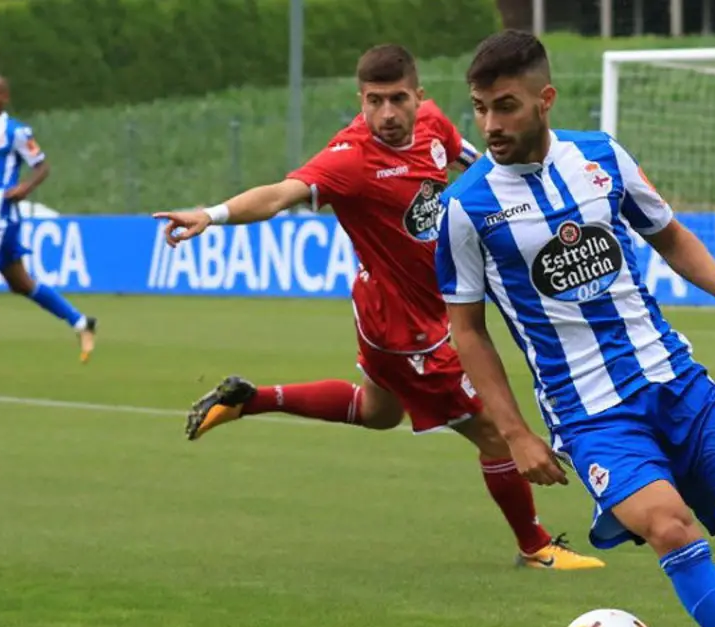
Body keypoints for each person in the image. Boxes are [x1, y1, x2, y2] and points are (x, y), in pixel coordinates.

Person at [436, 30, 715, 627]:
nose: (491, 125)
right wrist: (515, 434)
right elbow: (467, 330)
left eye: (506, 106)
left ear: (544, 99)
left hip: (672, 377)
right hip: (589, 413)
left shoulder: (600, 158)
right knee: (672, 527)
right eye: (480, 109)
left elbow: (667, 232)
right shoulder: (467, 206)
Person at [153, 44, 603, 572]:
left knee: (378, 412)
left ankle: (251, 399)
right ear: (359, 101)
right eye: (373, 101)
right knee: (492, 432)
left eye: (396, 100)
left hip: (408, 308)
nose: (386, 115)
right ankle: (536, 546)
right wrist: (212, 214)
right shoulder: (350, 159)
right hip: (405, 328)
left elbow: (478, 169)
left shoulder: (435, 126)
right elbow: (279, 195)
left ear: (419, 97)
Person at [0, 75, 97, 363]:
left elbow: (42, 166)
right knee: (20, 283)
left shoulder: (16, 132)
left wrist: (25, 188)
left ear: (5, 98)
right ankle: (81, 322)